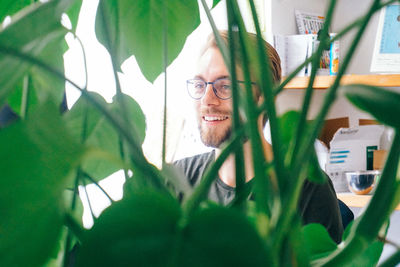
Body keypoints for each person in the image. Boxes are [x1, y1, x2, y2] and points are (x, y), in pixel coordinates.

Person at [174, 31, 343, 243]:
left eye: (225, 86)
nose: (207, 100)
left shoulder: (305, 188)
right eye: (200, 85)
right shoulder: (176, 180)